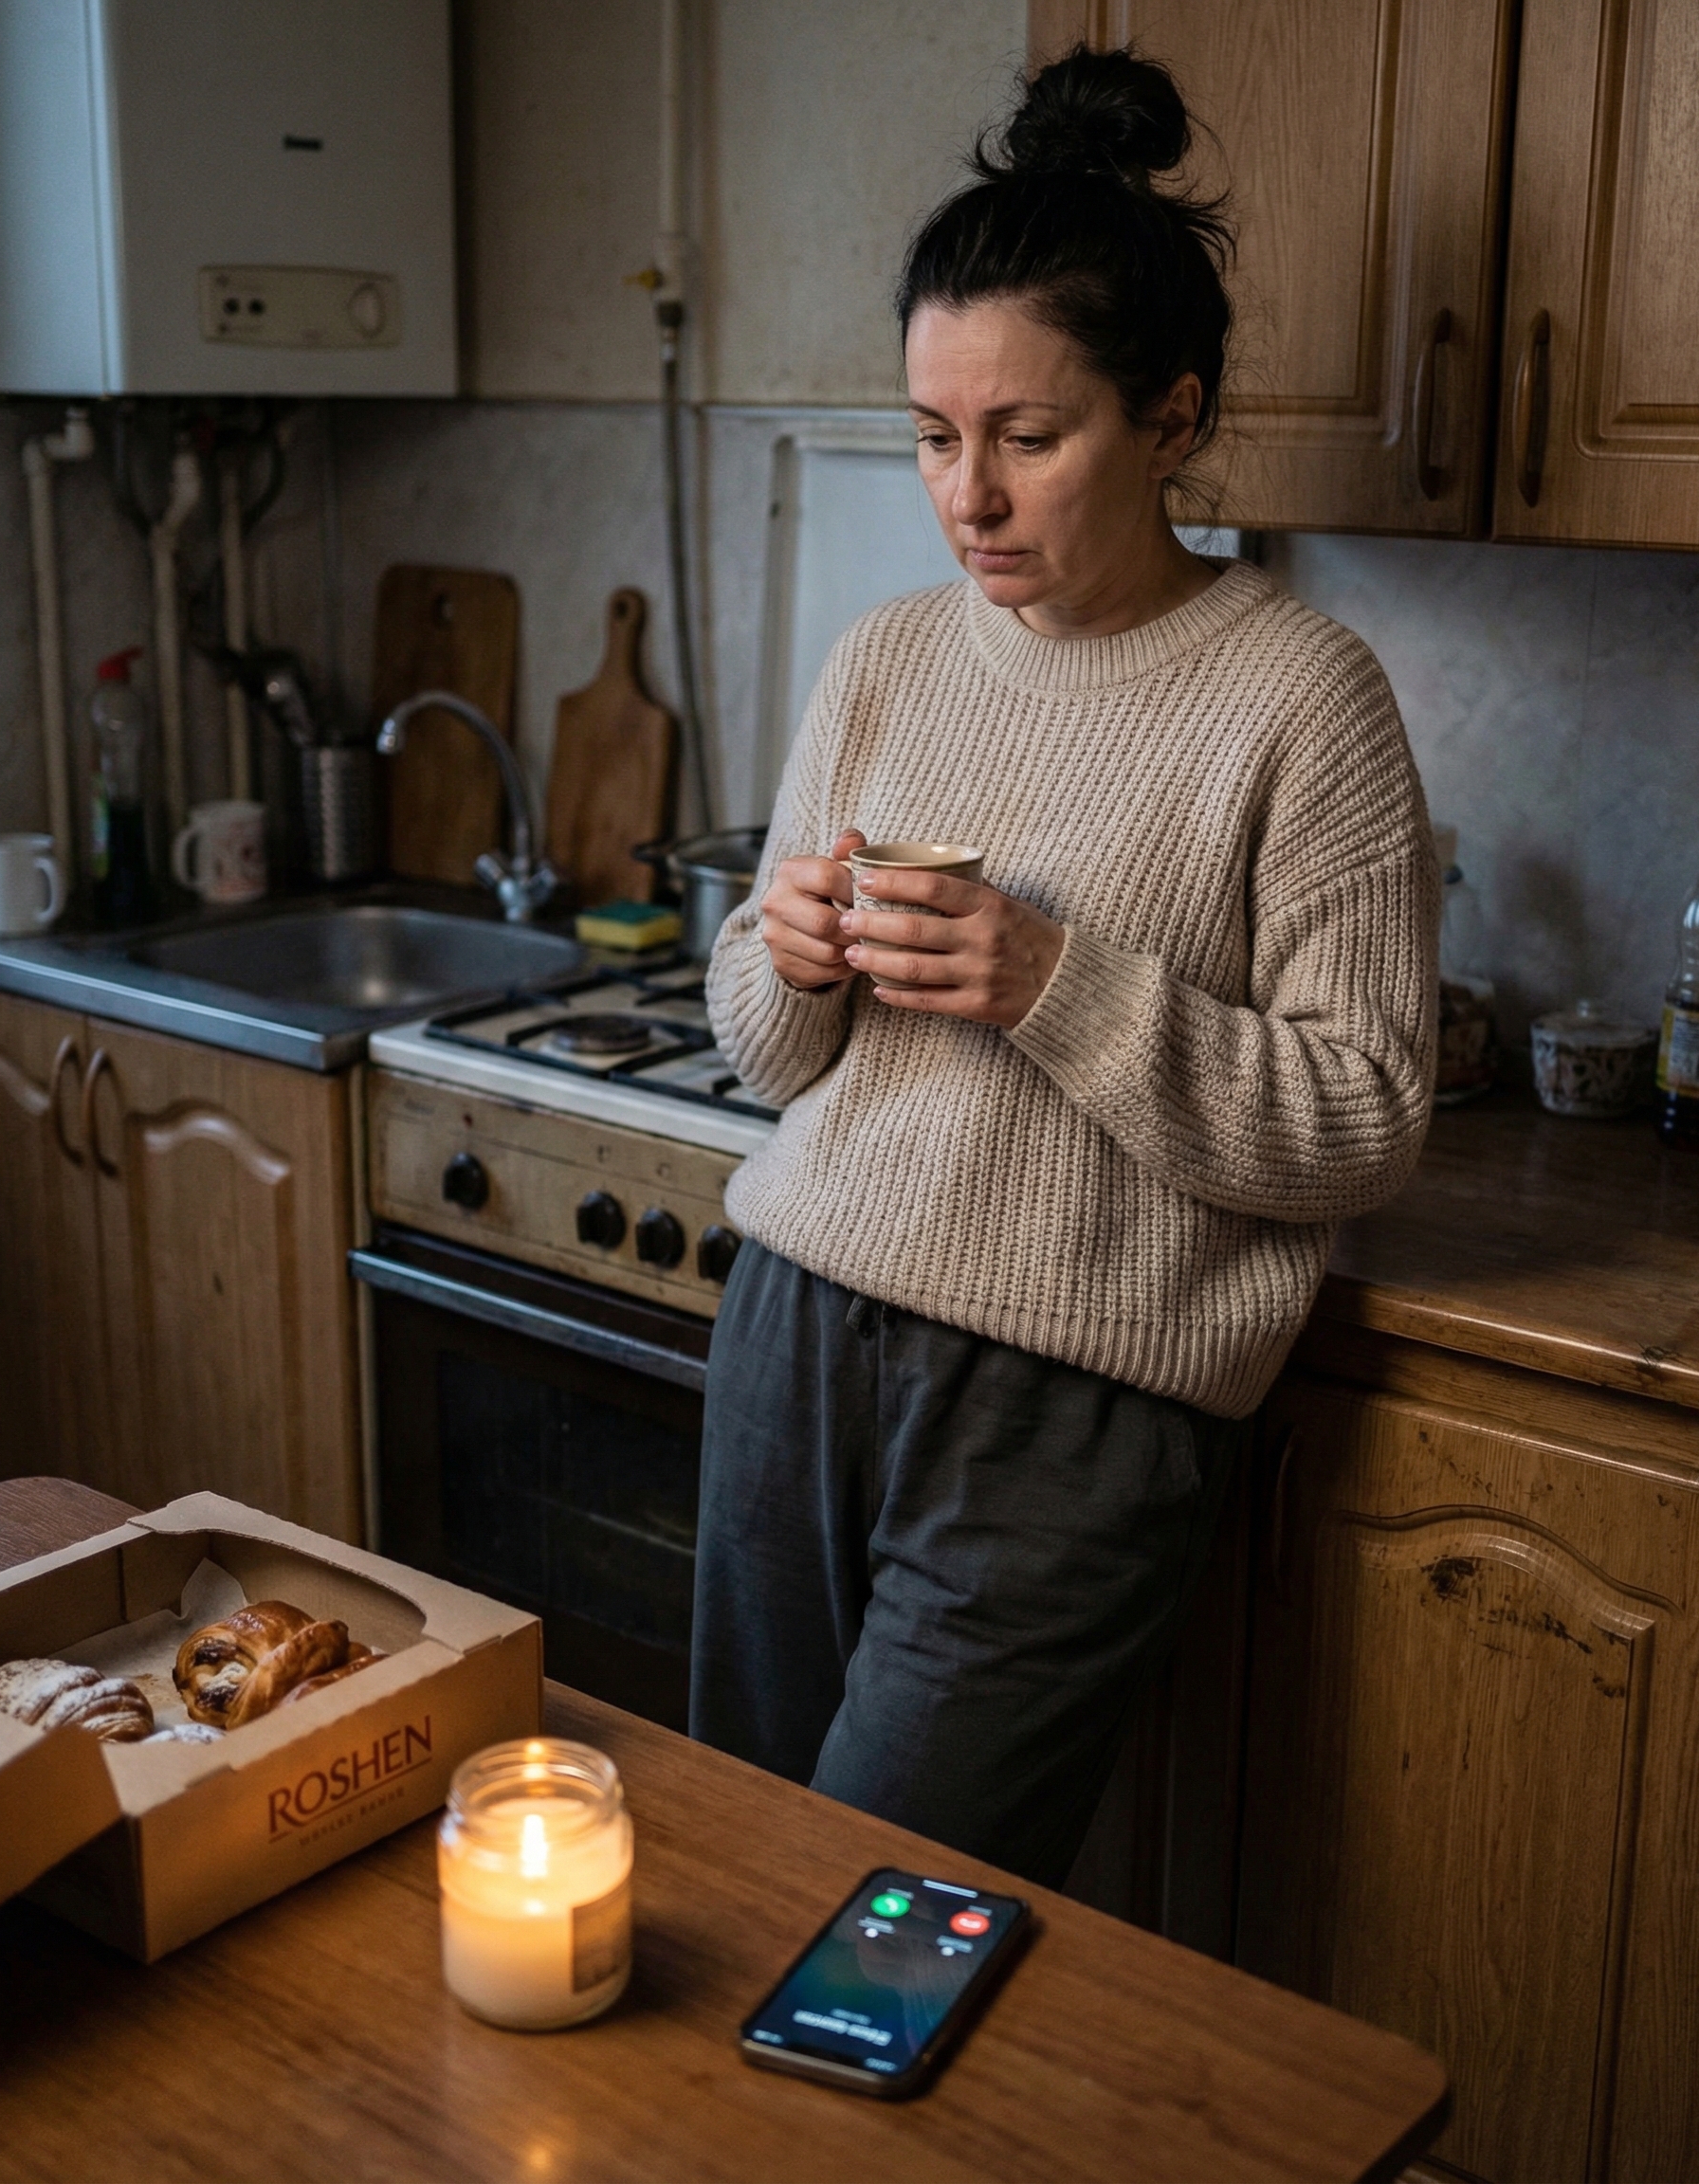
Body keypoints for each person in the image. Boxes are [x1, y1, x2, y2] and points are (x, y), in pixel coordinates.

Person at [692, 45, 1440, 1888]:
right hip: (797, 1332)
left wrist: (1052, 984)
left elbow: (1363, 1124)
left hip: (1076, 1415)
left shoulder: (1301, 697)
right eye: (936, 434)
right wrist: (781, 952)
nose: (970, 495)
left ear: (1170, 418)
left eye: (1029, 436)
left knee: (876, 1933)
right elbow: (770, 1059)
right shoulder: (881, 657)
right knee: (731, 1882)